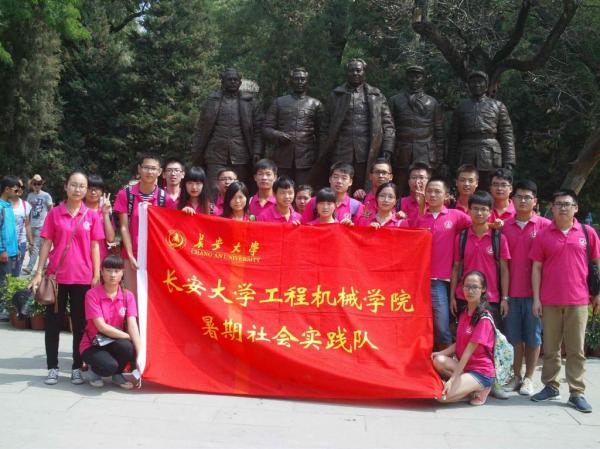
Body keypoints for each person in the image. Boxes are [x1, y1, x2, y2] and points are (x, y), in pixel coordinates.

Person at [29, 171, 104, 386]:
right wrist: (39, 272)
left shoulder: (91, 215)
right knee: (53, 323)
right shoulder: (55, 213)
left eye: (82, 186)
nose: (77, 189)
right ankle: (52, 367)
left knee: (80, 325)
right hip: (57, 278)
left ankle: (76, 367)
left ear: (86, 189)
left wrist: (96, 274)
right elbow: (46, 243)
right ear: (66, 186)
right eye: (74, 185)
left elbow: (95, 246)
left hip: (83, 278)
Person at [530, 189, 600, 413]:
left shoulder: (587, 233)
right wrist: (536, 299)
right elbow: (536, 268)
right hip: (550, 300)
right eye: (558, 204)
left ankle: (577, 392)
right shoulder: (543, 235)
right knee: (551, 348)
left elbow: (596, 264)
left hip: (578, 300)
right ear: (552, 207)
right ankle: (550, 386)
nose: (562, 208)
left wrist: (598, 294)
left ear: (575, 208)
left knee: (576, 349)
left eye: (567, 204)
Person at [449, 190, 510, 400]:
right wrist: (452, 296)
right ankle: (471, 381)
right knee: (464, 337)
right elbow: (456, 267)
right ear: (469, 210)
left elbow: (504, 270)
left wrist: (505, 298)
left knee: (490, 344)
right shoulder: (462, 237)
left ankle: (494, 382)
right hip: (464, 296)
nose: (480, 213)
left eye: (484, 209)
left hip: (490, 298)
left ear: (491, 212)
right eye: (475, 209)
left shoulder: (498, 238)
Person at [316, 58, 395, 192]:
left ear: (364, 72)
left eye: (358, 70)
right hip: (341, 150)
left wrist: (387, 149)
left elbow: (388, 125)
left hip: (367, 150)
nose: (355, 73)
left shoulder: (376, 95)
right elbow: (325, 126)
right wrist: (324, 148)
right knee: (340, 184)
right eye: (351, 70)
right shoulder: (336, 95)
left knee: (364, 187)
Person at [501, 180, 550, 396]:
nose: (523, 200)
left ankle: (529, 377)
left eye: (527, 197)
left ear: (535, 201)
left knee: (533, 337)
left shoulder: (545, 226)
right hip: (511, 292)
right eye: (519, 196)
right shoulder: (504, 227)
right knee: (514, 338)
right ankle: (516, 376)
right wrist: (504, 296)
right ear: (512, 199)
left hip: (535, 295)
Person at [414, 177, 471, 350]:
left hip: (441, 279)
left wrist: (494, 225)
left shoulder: (455, 216)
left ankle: (446, 359)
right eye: (429, 191)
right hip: (418, 279)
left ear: (446, 196)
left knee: (441, 325)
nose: (432, 195)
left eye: (437, 191)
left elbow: (477, 225)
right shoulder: (420, 218)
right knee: (420, 323)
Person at [113, 154, 175, 297]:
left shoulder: (165, 199)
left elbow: (169, 229)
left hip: (156, 256)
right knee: (132, 296)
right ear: (139, 169)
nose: (149, 172)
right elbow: (124, 227)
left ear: (159, 172)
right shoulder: (126, 194)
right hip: (131, 255)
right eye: (146, 167)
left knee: (154, 297)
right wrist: (130, 255)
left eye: (153, 168)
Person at [191, 67, 263, 189]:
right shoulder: (212, 101)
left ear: (240, 82)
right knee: (214, 189)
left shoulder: (250, 102)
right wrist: (196, 150)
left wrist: (257, 151)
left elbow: (258, 130)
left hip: (241, 155)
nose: (233, 82)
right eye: (229, 79)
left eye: (235, 80)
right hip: (215, 154)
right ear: (223, 81)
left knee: (239, 190)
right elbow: (201, 127)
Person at [432, 271, 496, 405]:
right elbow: (460, 343)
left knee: (441, 397)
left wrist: (452, 379)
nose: (470, 291)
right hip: (465, 367)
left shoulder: (484, 318)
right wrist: (440, 353)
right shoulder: (465, 312)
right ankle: (468, 390)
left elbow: (468, 352)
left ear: (483, 289)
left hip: (480, 371)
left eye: (475, 287)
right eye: (467, 286)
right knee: (438, 360)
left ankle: (482, 387)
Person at [80, 255, 141, 389]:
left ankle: (117, 374)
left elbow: (132, 325)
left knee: (129, 348)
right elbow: (102, 327)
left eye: (116, 271)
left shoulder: (128, 296)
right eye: (108, 270)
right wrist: (129, 336)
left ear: (122, 273)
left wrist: (140, 353)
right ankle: (94, 371)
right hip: (93, 343)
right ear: (102, 272)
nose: (112, 275)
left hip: (113, 341)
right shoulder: (92, 294)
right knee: (110, 366)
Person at [448, 71, 515, 190]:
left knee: (489, 189)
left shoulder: (498, 106)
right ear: (468, 85)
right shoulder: (461, 107)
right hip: (466, 153)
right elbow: (453, 136)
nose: (477, 85)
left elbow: (507, 135)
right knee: (466, 189)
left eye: (480, 82)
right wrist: (451, 161)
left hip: (490, 155)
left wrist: (509, 161)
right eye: (473, 82)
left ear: (486, 85)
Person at [389, 65, 445, 196]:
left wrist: (440, 157)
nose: (414, 79)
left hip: (425, 152)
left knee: (425, 189)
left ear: (424, 79)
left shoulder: (432, 102)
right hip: (402, 152)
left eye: (418, 76)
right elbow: (389, 129)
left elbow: (439, 131)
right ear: (406, 79)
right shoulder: (395, 100)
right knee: (400, 188)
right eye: (411, 76)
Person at [263, 67, 323, 186]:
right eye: (296, 79)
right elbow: (266, 128)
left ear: (307, 81)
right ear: (290, 81)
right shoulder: (279, 102)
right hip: (282, 158)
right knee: (282, 189)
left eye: (303, 79)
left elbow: (322, 133)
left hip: (306, 158)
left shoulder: (316, 104)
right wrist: (278, 135)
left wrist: (319, 156)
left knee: (304, 190)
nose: (300, 82)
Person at [23, 174, 53, 274]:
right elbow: (27, 210)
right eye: (35, 184)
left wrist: (49, 223)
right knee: (39, 247)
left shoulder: (46, 195)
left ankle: (29, 267)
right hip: (31, 225)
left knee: (35, 246)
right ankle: (46, 265)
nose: (37, 186)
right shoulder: (30, 196)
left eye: (39, 184)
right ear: (32, 184)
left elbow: (51, 210)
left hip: (41, 225)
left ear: (41, 185)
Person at [84, 174, 115, 263]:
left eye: (97, 189)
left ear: (102, 192)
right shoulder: (77, 210)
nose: (93, 192)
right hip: (81, 258)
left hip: (101, 258)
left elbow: (111, 239)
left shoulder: (104, 211)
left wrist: (105, 214)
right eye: (89, 188)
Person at [9, 179, 32, 276]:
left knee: (16, 273)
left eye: (22, 187)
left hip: (20, 243)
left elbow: (27, 224)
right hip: (6, 244)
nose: (20, 189)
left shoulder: (26, 205)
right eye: (17, 186)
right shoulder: (3, 204)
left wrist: (31, 243)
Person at [0, 176, 19, 288]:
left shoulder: (8, 206)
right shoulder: (1, 207)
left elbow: (11, 230)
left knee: (8, 284)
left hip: (11, 252)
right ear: (7, 189)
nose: (17, 192)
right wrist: (2, 250)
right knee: (3, 286)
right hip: (4, 253)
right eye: (15, 189)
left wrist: (16, 249)